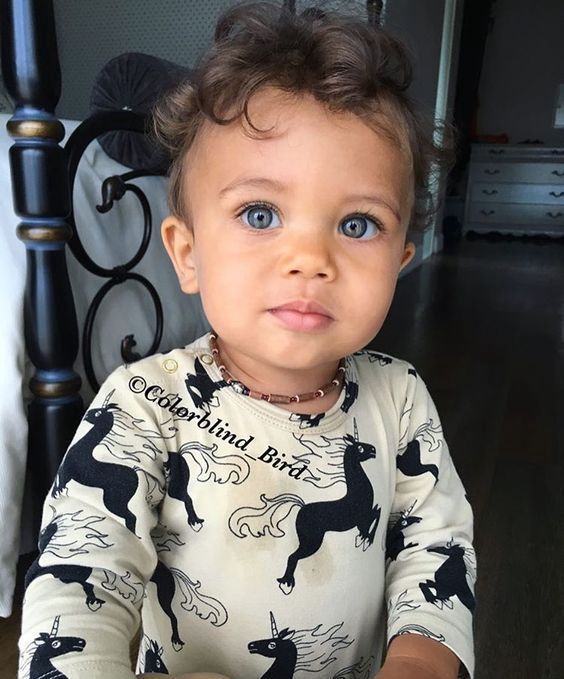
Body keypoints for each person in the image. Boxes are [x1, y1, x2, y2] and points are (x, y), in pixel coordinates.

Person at [18, 3, 476, 679]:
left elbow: (437, 543)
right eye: (261, 214)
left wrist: (421, 656)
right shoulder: (144, 403)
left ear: (401, 261)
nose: (310, 257)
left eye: (357, 225)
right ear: (188, 252)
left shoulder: (400, 399)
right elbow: (82, 568)